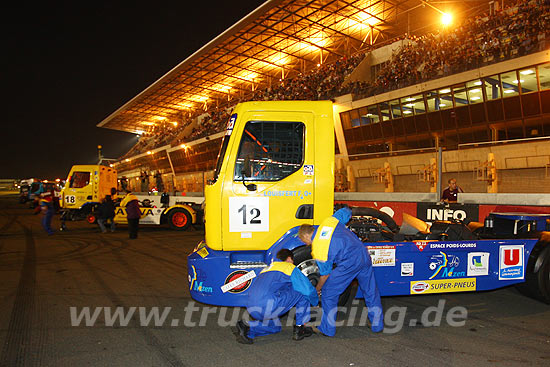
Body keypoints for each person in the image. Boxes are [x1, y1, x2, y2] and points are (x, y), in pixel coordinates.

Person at [298, 207, 384, 337]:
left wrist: (318, 289)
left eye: (304, 242)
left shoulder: (319, 247)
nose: (306, 245)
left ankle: (327, 329)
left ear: (305, 236)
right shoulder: (329, 222)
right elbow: (346, 211)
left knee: (329, 292)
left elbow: (325, 274)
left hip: (349, 263)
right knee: (370, 291)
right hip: (363, 255)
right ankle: (377, 325)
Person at [234, 249, 318, 344]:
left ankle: (247, 327)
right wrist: (315, 302)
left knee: (275, 327)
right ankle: (301, 328)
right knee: (302, 291)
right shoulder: (289, 267)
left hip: (251, 306)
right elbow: (307, 290)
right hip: (268, 305)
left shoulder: (266, 269)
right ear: (289, 259)